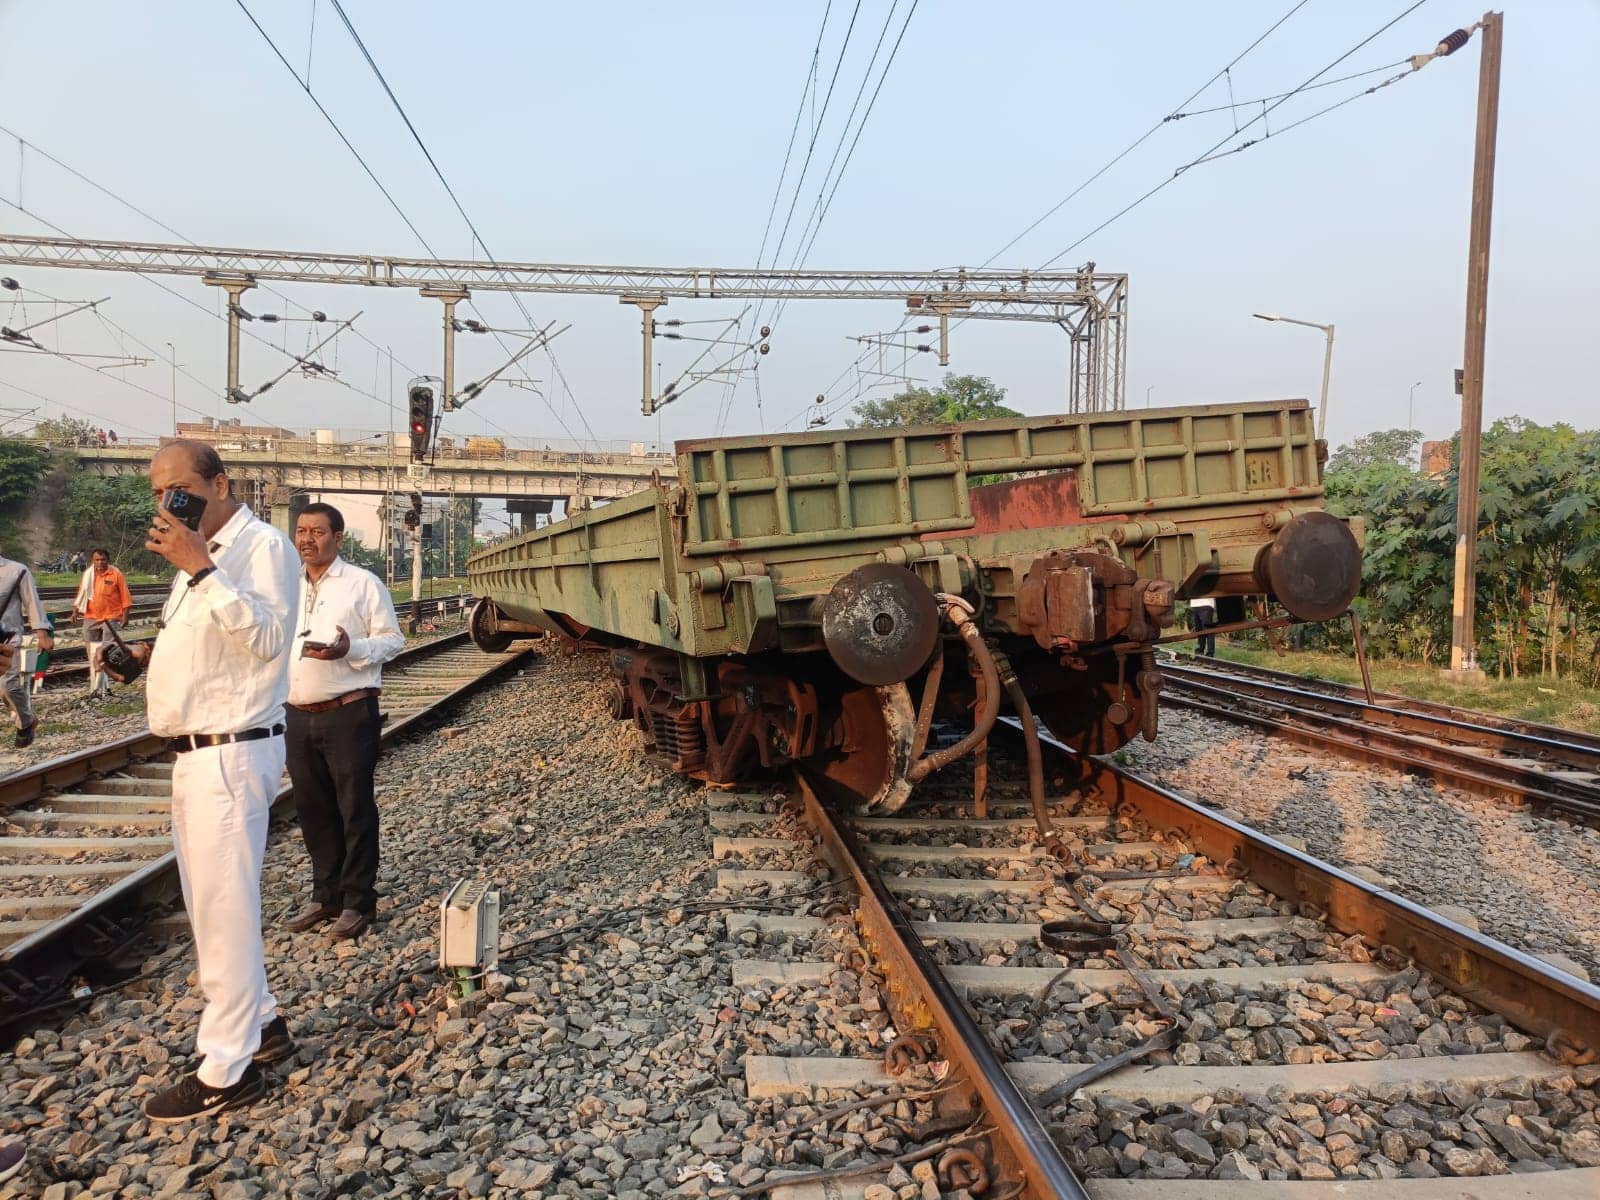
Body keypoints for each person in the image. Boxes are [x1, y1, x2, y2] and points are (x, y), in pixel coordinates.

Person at [103, 440, 299, 1122]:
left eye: (178, 489)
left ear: (218, 484)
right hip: (196, 753)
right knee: (207, 903)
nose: (166, 504)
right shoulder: (197, 561)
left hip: (232, 751)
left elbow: (271, 640)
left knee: (224, 909)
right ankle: (262, 1024)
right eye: (158, 493)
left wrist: (202, 568)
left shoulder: (263, 549)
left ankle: (226, 1067)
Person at [283, 503, 404, 940]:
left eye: (317, 531)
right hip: (297, 713)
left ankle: (358, 901)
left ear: (338, 536)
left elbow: (393, 639)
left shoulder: (362, 583)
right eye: (301, 531)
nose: (306, 539)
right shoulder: (285, 586)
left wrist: (350, 651)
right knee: (312, 809)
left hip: (348, 712)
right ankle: (325, 895)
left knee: (353, 808)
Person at [0, 548, 54, 748]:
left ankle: (26, 721)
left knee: (9, 686)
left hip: (8, 641)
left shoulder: (17, 571)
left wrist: (42, 633)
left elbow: (32, 602)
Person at [71, 547, 134, 700]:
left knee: (105, 653)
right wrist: (75, 612)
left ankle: (102, 688)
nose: (100, 562)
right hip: (91, 617)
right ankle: (98, 686)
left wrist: (125, 616)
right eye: (97, 560)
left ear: (108, 560)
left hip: (111, 618)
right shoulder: (88, 575)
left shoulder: (116, 574)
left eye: (103, 559)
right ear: (93, 561)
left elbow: (125, 596)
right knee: (92, 653)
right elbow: (81, 594)